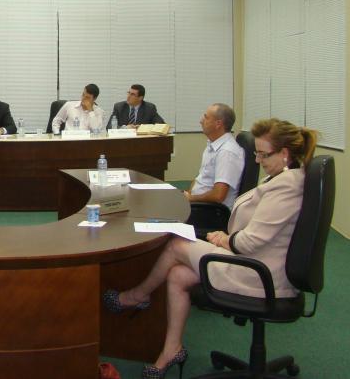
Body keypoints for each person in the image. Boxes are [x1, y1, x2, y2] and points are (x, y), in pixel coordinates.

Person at [102, 118, 318, 378]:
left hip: (262, 276)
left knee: (176, 245)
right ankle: (172, 350)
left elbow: (250, 241)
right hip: (256, 262)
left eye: (263, 154)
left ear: (284, 154)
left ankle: (136, 296)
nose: (258, 161)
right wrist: (227, 238)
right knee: (178, 275)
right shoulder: (283, 176)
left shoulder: (286, 185)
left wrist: (223, 239)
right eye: (256, 153)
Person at [184, 103, 245, 210]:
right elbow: (201, 177)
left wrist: (191, 198)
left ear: (218, 124)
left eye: (206, 117)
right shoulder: (213, 144)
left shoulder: (227, 152)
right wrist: (188, 194)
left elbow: (218, 195)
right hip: (198, 203)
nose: (201, 121)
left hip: (211, 212)